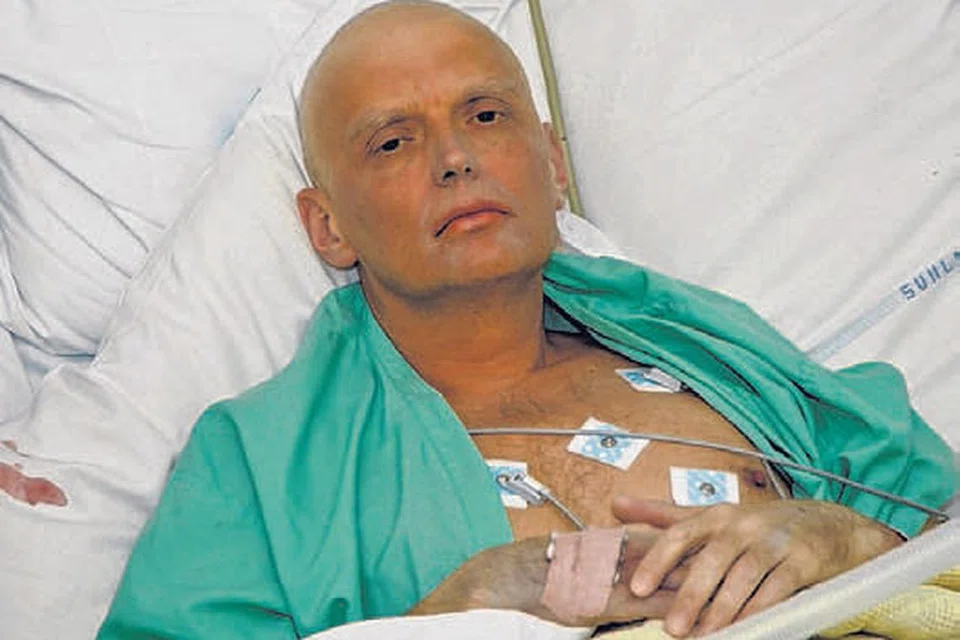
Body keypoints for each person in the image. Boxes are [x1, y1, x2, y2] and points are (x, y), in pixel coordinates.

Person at [97, 2, 955, 638]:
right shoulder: (259, 467)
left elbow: (935, 531)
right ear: (328, 227)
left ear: (551, 164)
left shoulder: (718, 357)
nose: (455, 158)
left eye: (485, 115)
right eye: (393, 141)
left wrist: (849, 539)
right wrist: (462, 612)